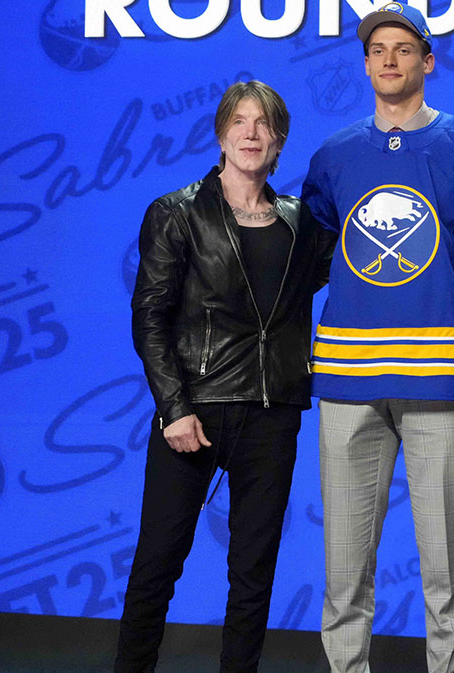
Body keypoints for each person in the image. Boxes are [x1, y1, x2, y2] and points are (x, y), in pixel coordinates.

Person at [299, 3, 454, 672]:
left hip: (440, 378)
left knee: (446, 569)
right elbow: (315, 254)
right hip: (348, 381)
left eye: (404, 48)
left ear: (428, 61)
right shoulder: (333, 155)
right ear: (365, 65)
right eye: (377, 49)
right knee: (343, 570)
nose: (388, 59)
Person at [118, 81, 327, 673]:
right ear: (220, 133)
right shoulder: (177, 212)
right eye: (240, 121)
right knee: (158, 562)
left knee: (254, 571)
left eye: (264, 123)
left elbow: (323, 284)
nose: (251, 133)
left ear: (279, 139)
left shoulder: (301, 223)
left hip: (272, 414)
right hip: (195, 412)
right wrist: (173, 407)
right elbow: (149, 317)